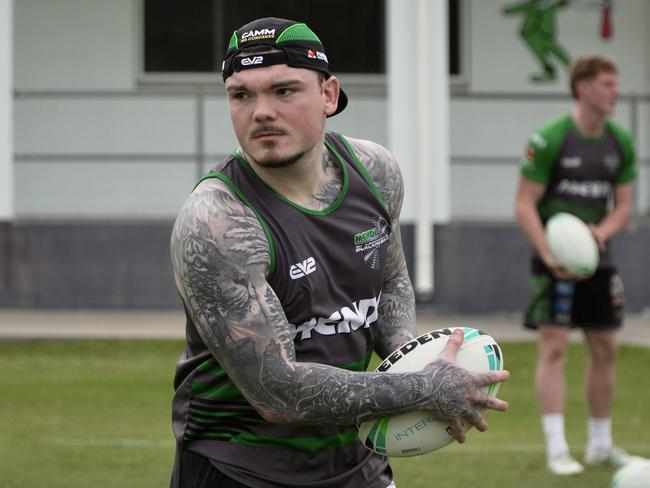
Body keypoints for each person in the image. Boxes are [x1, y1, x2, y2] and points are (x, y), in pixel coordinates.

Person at [169, 16, 509, 488]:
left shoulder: (375, 172)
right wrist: (421, 388)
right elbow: (278, 391)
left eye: (284, 91)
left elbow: (389, 280)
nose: (261, 111)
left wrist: (411, 358)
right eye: (241, 94)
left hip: (355, 462)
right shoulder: (217, 222)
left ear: (329, 95)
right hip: (241, 469)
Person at [515, 54, 638, 475]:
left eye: (615, 83)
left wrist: (599, 235)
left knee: (606, 348)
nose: (615, 92)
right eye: (607, 83)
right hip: (553, 263)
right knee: (553, 347)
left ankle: (601, 445)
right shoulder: (551, 138)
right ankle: (557, 448)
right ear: (583, 88)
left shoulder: (620, 141)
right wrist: (550, 254)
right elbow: (524, 203)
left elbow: (623, 206)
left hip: (598, 262)